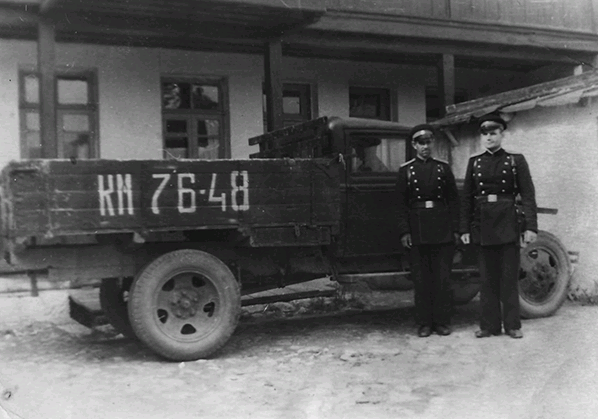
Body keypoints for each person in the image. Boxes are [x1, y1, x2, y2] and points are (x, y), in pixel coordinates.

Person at [460, 114, 538, 339]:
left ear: (502, 134)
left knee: (508, 277)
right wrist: (464, 229)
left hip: (508, 224)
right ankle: (489, 326)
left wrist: (530, 227)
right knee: (487, 279)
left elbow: (528, 194)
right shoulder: (475, 162)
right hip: (483, 225)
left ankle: (512, 325)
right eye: (484, 134)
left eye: (493, 133)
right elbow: (467, 198)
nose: (489, 138)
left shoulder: (515, 161)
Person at [396, 124, 460, 337]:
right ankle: (424, 323)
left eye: (428, 142)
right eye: (421, 143)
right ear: (414, 145)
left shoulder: (443, 168)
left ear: (432, 143)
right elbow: (400, 205)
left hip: (441, 229)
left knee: (442, 279)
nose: (425, 147)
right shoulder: (406, 171)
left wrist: (456, 230)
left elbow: (454, 201)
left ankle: (442, 322)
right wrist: (405, 232)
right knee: (421, 280)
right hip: (418, 230)